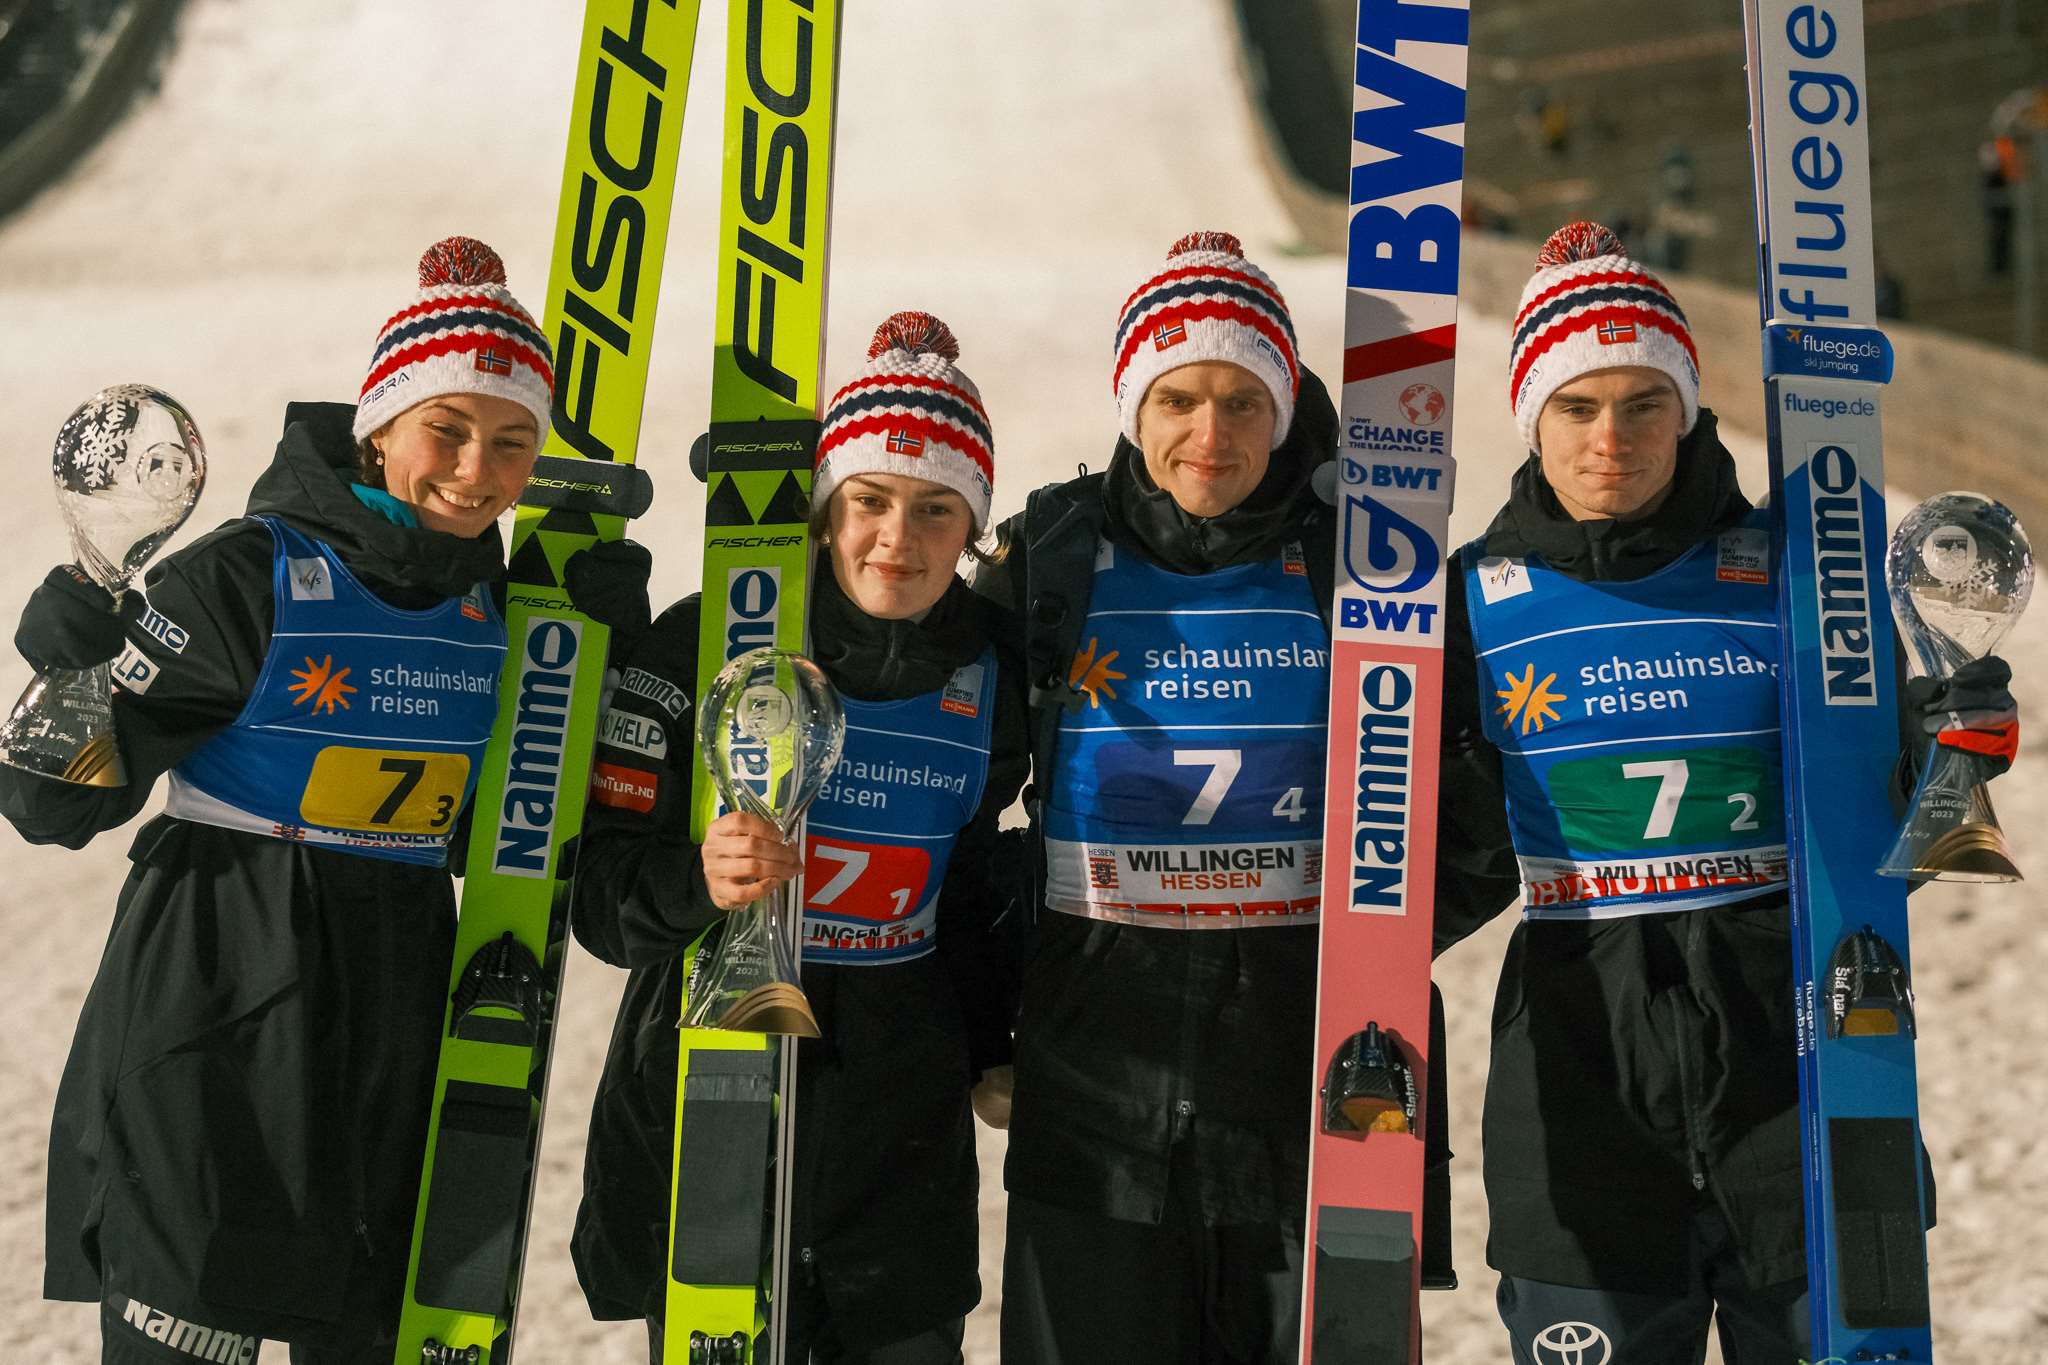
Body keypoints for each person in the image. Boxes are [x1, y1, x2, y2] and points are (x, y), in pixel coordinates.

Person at [0, 236, 649, 1364]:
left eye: (510, 444)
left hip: (395, 994)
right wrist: (68, 669)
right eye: (444, 429)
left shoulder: (501, 612)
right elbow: (52, 807)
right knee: (196, 1311)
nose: (474, 469)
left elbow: (507, 829)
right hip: (220, 983)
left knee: (362, 1319)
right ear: (379, 425)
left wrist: (599, 662)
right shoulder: (249, 573)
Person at [1434, 221, 2021, 1363]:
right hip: (1580, 1072)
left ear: (1691, 409)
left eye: (1642, 402)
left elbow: (1884, 813)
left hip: (1799, 1058)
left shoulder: (1797, 574)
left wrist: (1946, 743)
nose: (1612, 438)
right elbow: (1444, 868)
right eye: (1576, 407)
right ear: (1530, 419)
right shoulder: (1469, 602)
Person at [974, 231, 1501, 1364]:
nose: (1208, 435)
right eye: (1176, 399)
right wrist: (991, 1016)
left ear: (1282, 405)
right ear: (1131, 404)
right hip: (1092, 1103)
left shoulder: (1364, 562)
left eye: (1240, 402)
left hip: (1302, 1091)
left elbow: (1476, 791)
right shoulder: (1052, 559)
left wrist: (1382, 935)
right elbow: (966, 799)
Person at [568, 311, 1029, 1365]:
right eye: (867, 501)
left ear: (972, 528)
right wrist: (696, 879)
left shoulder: (994, 675)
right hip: (711, 1090)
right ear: (825, 513)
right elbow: (592, 889)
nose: (895, 541)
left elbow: (970, 889)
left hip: (897, 1135)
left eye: (935, 510)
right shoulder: (708, 641)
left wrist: (996, 1039)